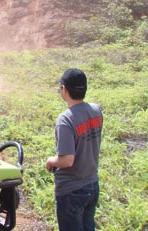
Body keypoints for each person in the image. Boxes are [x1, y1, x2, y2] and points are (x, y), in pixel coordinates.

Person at [45, 69, 103, 231]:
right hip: (92, 184)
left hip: (72, 191)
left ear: (64, 89)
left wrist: (50, 161)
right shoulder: (96, 110)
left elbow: (67, 160)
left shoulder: (65, 119)